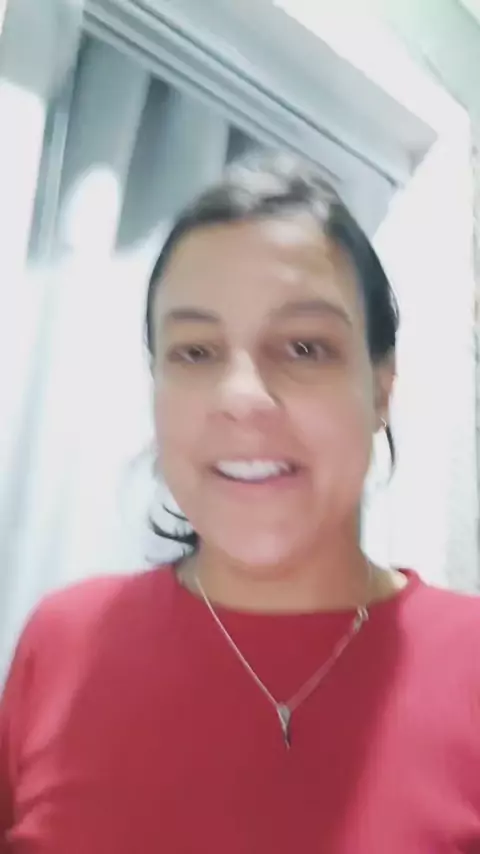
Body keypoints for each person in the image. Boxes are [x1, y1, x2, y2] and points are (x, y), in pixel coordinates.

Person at [1, 154, 480, 854]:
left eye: (305, 347)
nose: (241, 397)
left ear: (381, 388)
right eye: (196, 352)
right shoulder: (62, 645)